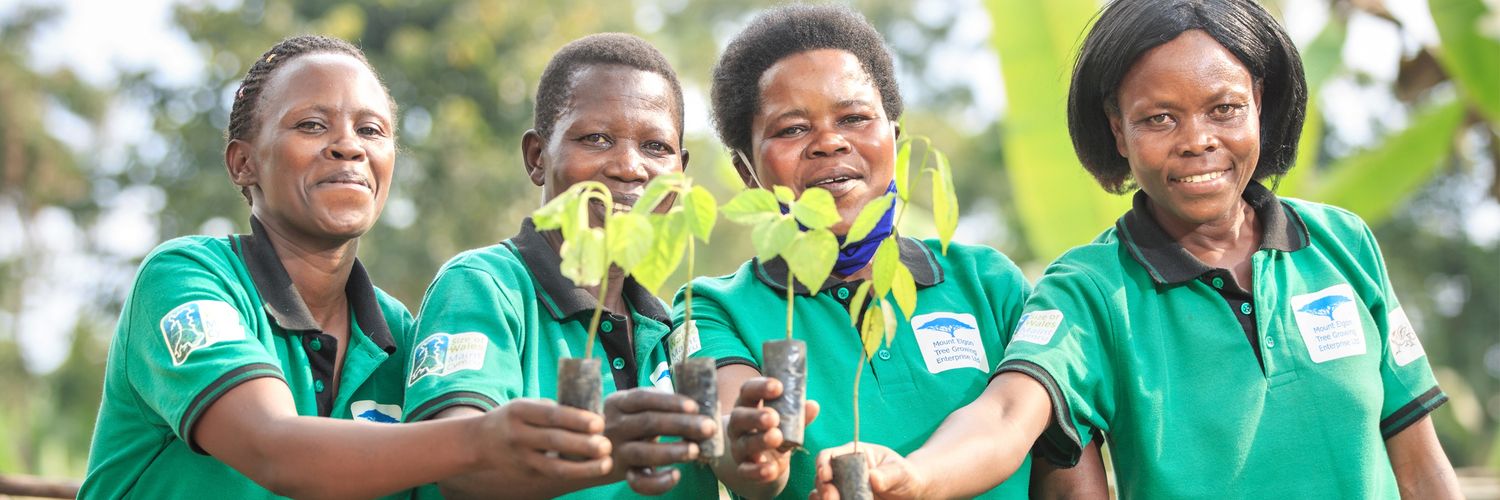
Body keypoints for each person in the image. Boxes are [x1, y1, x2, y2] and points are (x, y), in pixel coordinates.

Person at [810, 1, 1462, 498]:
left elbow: (1420, 461)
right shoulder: (1089, 289)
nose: (1197, 139)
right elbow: (1009, 412)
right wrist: (915, 475)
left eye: (1225, 108)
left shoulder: (1342, 243)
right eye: (1159, 118)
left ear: (1260, 104)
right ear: (1117, 131)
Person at [80, 35, 588, 499]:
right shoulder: (187, 277)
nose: (349, 146)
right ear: (243, 163)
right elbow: (273, 448)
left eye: (371, 129)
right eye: (311, 125)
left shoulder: (402, 339)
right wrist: (483, 437)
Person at [671, 5, 1099, 499]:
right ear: (746, 171)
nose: (829, 142)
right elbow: (726, 429)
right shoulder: (710, 308)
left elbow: (1059, 464)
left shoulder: (989, 284)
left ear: (893, 140)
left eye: (854, 117)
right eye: (792, 129)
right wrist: (748, 445)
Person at [401, 32, 718, 499]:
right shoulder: (484, 288)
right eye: (595, 138)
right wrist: (612, 452)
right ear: (536, 157)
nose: (630, 167)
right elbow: (461, 468)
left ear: (681, 171)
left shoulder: (674, 330)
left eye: (656, 147)